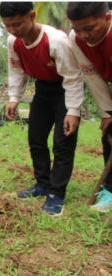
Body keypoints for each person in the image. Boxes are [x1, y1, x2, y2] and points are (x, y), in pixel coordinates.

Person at [0, 2, 84, 216]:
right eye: (8, 26)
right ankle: (42, 184)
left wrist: (73, 110)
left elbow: (73, 77)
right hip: (42, 90)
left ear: (32, 15)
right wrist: (13, 97)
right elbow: (16, 69)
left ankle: (56, 194)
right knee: (36, 139)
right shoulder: (13, 42)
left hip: (64, 89)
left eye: (17, 24)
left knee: (62, 143)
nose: (13, 30)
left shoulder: (55, 40)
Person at [67, 2, 112, 212]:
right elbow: (91, 75)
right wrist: (107, 112)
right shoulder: (75, 40)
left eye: (90, 28)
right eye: (78, 29)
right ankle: (109, 192)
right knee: (109, 135)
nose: (83, 35)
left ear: (108, 18)